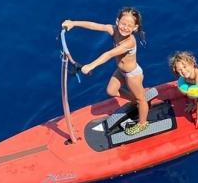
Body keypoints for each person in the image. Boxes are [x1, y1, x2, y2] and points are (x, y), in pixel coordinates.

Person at [61, 7, 149, 135]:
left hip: (132, 75)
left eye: (130, 26)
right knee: (111, 91)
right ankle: (137, 101)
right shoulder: (113, 30)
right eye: (123, 24)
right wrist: (73, 23)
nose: (125, 27)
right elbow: (94, 25)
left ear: (135, 28)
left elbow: (108, 54)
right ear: (117, 22)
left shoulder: (130, 42)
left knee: (141, 99)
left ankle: (142, 123)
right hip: (121, 71)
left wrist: (91, 66)